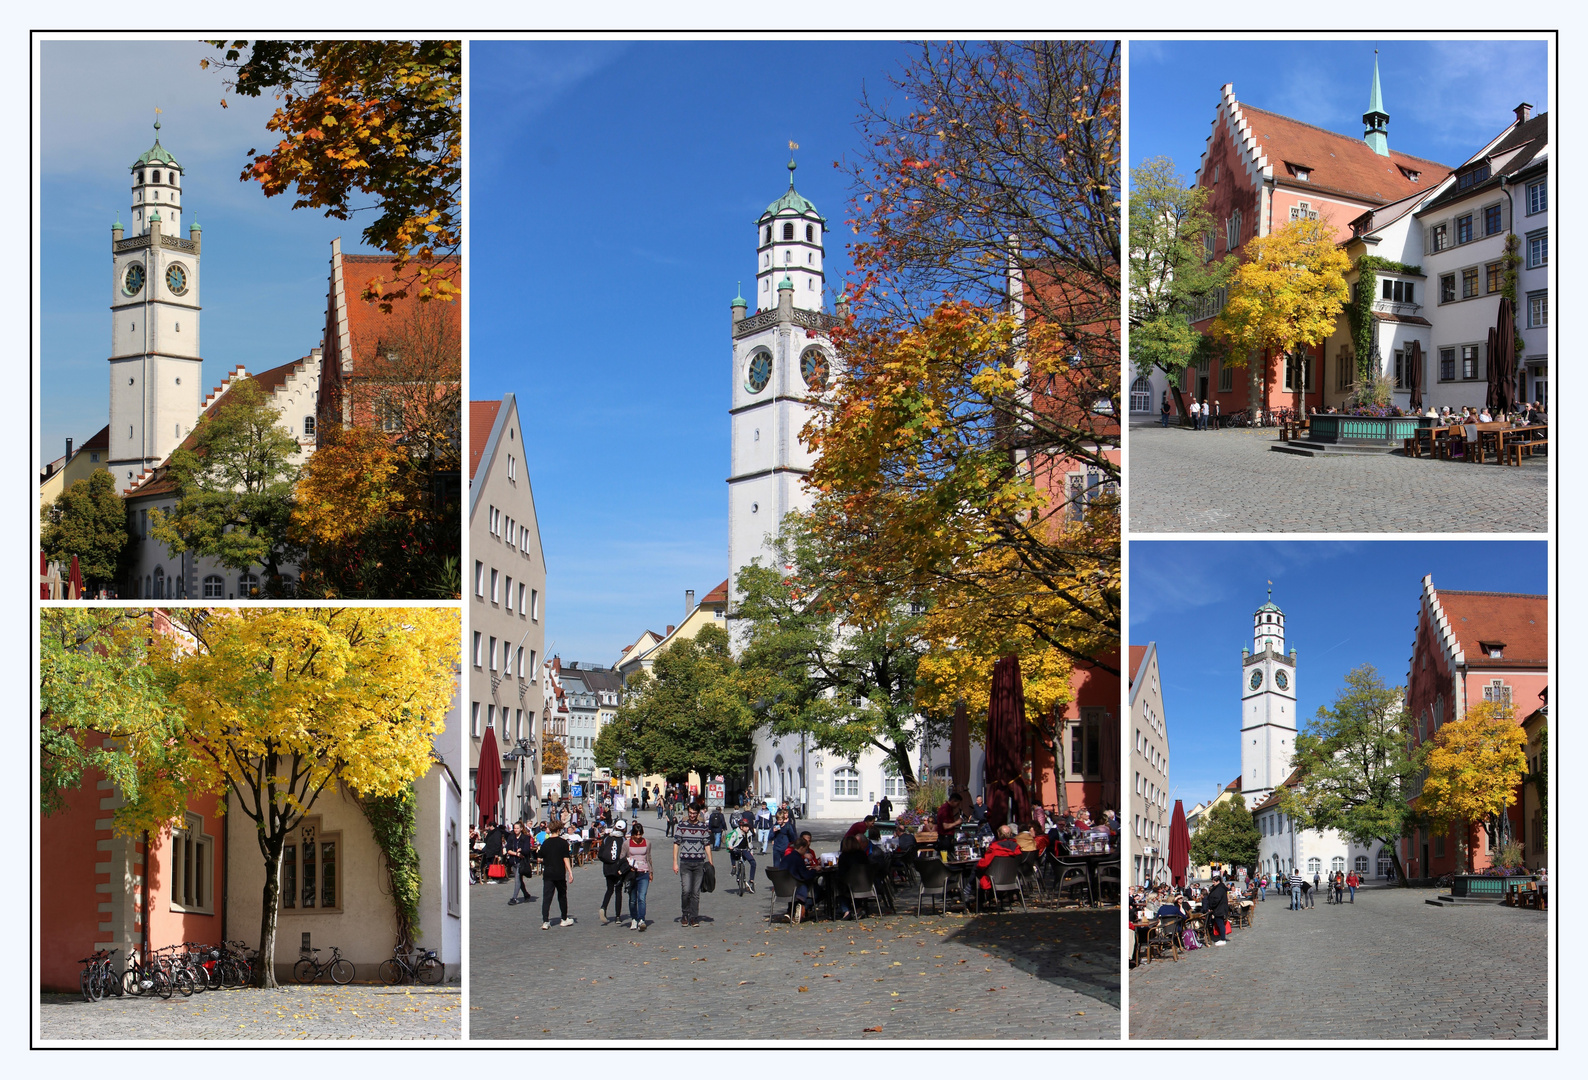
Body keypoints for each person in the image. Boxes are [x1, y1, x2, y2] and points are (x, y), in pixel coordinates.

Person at [672, 801, 714, 928]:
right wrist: (675, 862)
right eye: (690, 813)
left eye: (694, 813)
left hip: (699, 863)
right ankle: (685, 914)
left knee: (695, 892)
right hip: (685, 862)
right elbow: (676, 844)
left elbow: (707, 845)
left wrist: (710, 862)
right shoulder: (682, 825)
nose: (691, 815)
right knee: (686, 890)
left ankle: (694, 917)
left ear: (698, 813)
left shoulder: (702, 827)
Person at [538, 818, 575, 929]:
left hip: (548, 873)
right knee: (562, 896)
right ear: (559, 830)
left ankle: (545, 921)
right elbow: (566, 858)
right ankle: (564, 919)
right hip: (559, 872)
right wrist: (570, 872)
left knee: (547, 898)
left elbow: (539, 858)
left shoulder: (545, 843)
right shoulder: (563, 843)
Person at [778, 835, 818, 923]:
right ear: (801, 848)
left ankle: (791, 911)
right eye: (805, 849)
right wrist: (814, 871)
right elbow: (805, 875)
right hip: (795, 887)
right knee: (817, 891)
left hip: (781, 887)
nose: (805, 851)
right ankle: (802, 908)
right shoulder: (798, 859)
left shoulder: (785, 858)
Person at [598, 819, 629, 925]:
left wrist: (607, 862)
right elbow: (625, 856)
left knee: (609, 889)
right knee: (618, 891)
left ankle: (603, 907)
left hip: (607, 868)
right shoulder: (623, 840)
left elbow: (600, 855)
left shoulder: (607, 838)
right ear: (624, 829)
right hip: (618, 868)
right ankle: (617, 916)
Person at [623, 822, 653, 931]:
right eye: (637, 834)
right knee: (632, 899)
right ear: (633, 834)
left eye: (640, 834)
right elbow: (622, 858)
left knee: (642, 897)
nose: (639, 837)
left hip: (644, 872)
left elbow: (649, 857)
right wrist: (627, 867)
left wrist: (651, 872)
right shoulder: (627, 844)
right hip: (631, 874)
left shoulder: (647, 843)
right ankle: (634, 918)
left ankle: (641, 919)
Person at [975, 824, 1023, 892]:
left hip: (994, 880)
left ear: (998, 834)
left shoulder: (994, 848)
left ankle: (969, 894)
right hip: (1012, 878)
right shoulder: (1017, 848)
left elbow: (983, 864)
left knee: (976, 868)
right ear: (1011, 834)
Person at [507, 821, 536, 907]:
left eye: (517, 828)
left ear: (521, 829)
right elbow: (508, 849)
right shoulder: (511, 837)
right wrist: (516, 853)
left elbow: (527, 850)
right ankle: (526, 894)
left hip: (522, 862)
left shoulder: (525, 838)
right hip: (513, 861)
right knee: (519, 879)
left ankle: (514, 898)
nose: (515, 830)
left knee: (517, 879)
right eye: (514, 828)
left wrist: (521, 851)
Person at [726, 817, 756, 892]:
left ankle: (751, 881)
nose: (747, 828)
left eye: (748, 827)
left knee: (753, 863)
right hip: (736, 849)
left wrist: (751, 852)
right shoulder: (736, 832)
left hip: (745, 849)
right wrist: (730, 846)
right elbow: (730, 841)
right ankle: (733, 866)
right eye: (745, 827)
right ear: (741, 827)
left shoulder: (749, 833)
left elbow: (750, 843)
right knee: (732, 852)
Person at [1206, 875, 1230, 946]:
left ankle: (1223, 939)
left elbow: (1216, 899)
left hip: (1219, 909)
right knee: (1219, 923)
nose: (1213, 883)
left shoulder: (1219, 889)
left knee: (1220, 924)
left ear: (1218, 881)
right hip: (1220, 908)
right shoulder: (1220, 888)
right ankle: (1220, 937)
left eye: (1214, 882)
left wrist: (1211, 906)